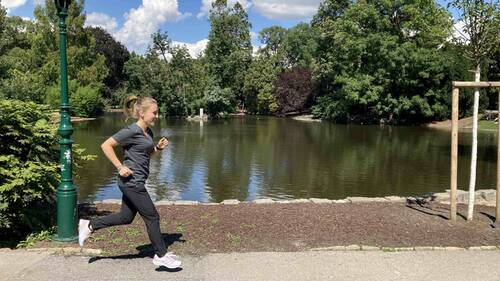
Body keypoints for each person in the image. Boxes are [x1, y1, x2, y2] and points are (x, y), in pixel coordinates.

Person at [78, 96, 181, 269]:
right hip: (131, 182)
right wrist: (119, 167)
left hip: (137, 180)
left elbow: (145, 155)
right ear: (142, 113)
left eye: (157, 112)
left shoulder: (148, 132)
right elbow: (106, 145)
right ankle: (161, 255)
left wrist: (157, 149)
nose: (156, 115)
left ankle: (89, 225)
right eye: (154, 112)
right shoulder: (131, 131)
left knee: (126, 217)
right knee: (152, 216)